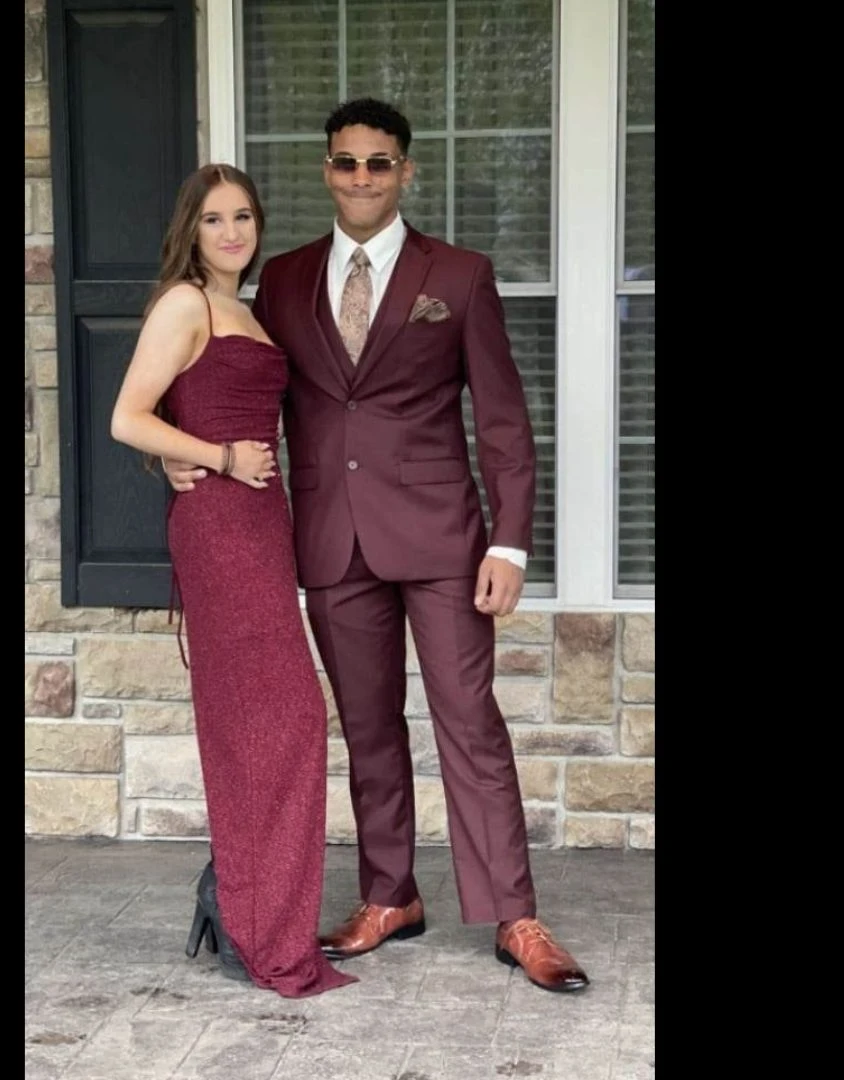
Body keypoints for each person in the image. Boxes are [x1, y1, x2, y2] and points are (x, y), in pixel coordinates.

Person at [165, 99, 589, 994]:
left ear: (405, 171)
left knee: (468, 723)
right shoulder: (279, 280)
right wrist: (178, 455)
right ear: (326, 170)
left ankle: (515, 915)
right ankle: (389, 893)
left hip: (442, 538)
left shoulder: (460, 275)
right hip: (327, 538)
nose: (362, 177)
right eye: (347, 162)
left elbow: (504, 421)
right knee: (367, 729)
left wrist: (510, 542)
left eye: (379, 163)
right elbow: (218, 372)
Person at [109, 163, 356, 999]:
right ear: (192, 228)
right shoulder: (184, 303)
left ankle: (237, 893)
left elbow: (174, 416)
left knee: (272, 723)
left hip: (263, 524)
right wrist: (209, 456)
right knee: (282, 718)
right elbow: (127, 415)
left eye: (244, 216)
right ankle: (248, 906)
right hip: (219, 527)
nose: (231, 233)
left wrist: (190, 450)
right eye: (214, 219)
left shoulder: (245, 310)